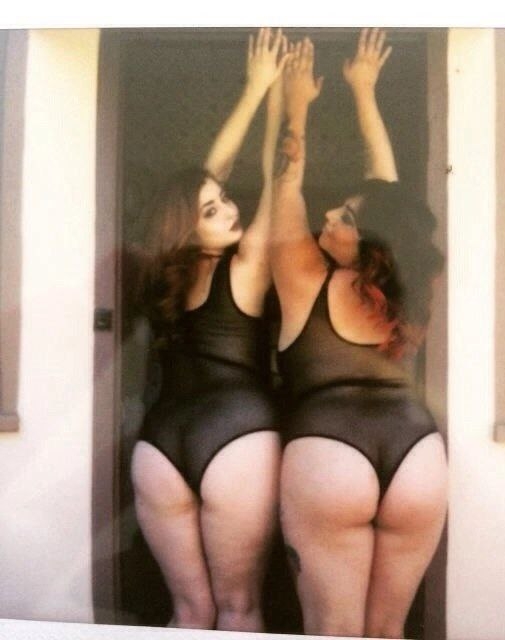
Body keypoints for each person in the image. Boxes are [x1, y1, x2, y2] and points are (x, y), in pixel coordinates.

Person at [271, 29, 448, 638]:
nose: (328, 216)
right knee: (388, 633)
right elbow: (386, 195)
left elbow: (285, 185)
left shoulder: (303, 278)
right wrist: (365, 92)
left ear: (370, 240)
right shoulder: (412, 291)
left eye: (345, 217)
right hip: (418, 456)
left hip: (330, 452)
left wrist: (296, 106)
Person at [130, 28, 287, 631]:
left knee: (189, 613)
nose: (229, 209)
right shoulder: (244, 269)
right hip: (236, 436)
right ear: (190, 227)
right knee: (239, 609)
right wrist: (275, 99)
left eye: (224, 200)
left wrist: (253, 88)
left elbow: (202, 180)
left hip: (159, 446)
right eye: (213, 211)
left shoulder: (160, 277)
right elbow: (276, 179)